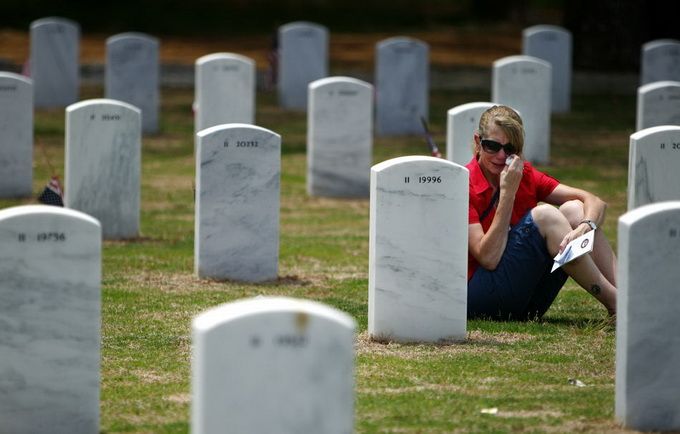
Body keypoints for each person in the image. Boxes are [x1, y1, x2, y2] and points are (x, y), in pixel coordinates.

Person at [466, 105, 617, 321]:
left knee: (574, 210)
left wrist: (585, 227)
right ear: (478, 142)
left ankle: (628, 299)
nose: (501, 156)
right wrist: (508, 194)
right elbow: (488, 258)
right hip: (479, 296)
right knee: (546, 216)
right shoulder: (465, 185)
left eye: (510, 150)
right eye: (492, 146)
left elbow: (595, 202)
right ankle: (617, 303)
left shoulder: (524, 173)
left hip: (525, 297)